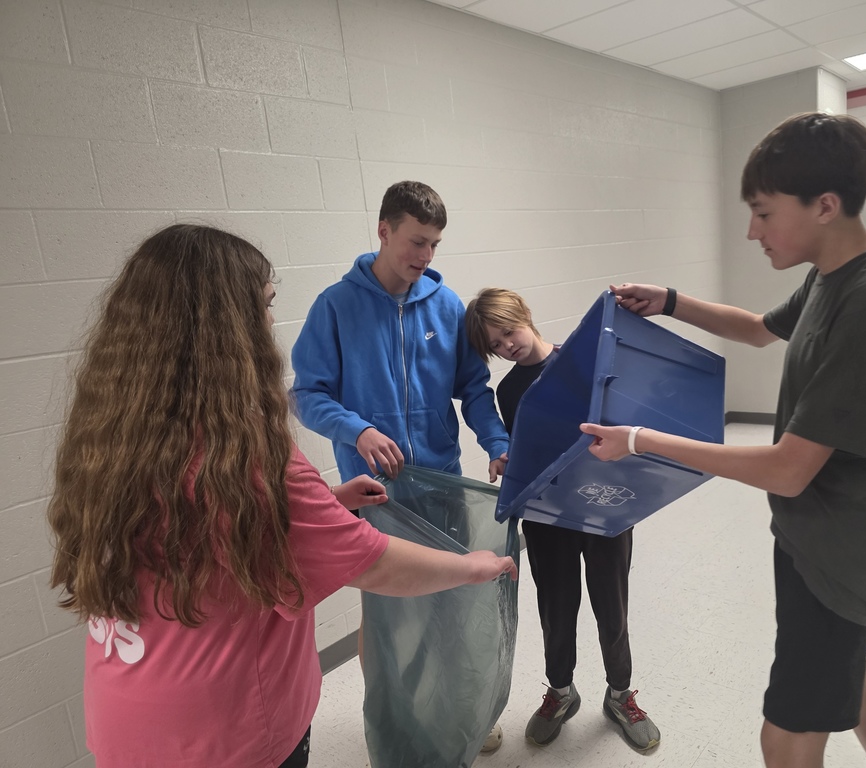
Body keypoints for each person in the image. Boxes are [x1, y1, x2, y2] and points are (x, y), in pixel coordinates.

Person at [46, 224, 518, 768]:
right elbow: (373, 563)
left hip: (124, 720)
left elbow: (207, 524)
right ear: (225, 325)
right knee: (388, 625)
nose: (271, 321)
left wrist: (326, 500)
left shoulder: (111, 436)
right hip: (227, 733)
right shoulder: (254, 450)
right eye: (265, 304)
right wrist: (472, 566)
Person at [582, 113, 866, 768]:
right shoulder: (834, 275)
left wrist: (638, 441)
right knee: (846, 683)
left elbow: (789, 469)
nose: (752, 230)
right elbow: (757, 330)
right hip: (816, 538)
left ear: (825, 206)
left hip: (845, 555)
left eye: (764, 213)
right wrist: (669, 301)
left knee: (784, 736)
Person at [289, 180, 510, 752]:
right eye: (416, 241)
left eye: (435, 243)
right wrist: (357, 430)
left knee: (453, 602)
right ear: (384, 232)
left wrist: (495, 440)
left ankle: (458, 713)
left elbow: (474, 388)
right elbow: (308, 395)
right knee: (387, 617)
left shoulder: (446, 305)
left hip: (439, 480)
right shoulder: (336, 307)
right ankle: (397, 717)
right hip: (375, 495)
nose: (425, 256)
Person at [465, 288, 661, 752]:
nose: (507, 345)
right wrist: (505, 461)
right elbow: (524, 450)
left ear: (525, 316)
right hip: (547, 515)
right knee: (556, 604)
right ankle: (561, 691)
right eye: (496, 344)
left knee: (611, 602)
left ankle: (620, 694)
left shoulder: (582, 362)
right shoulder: (510, 390)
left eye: (508, 331)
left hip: (603, 505)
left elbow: (623, 421)